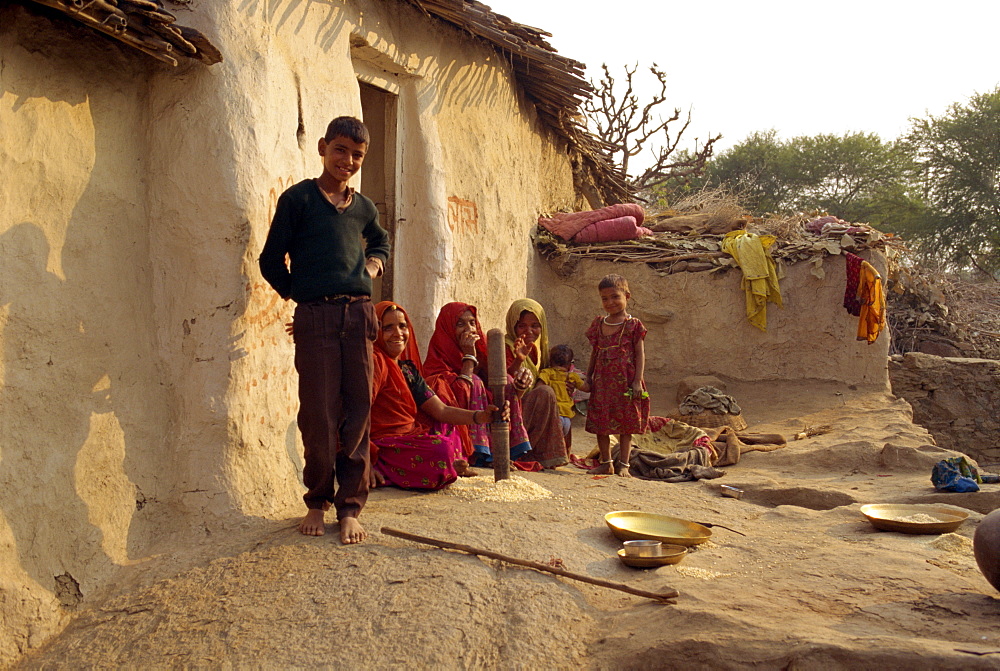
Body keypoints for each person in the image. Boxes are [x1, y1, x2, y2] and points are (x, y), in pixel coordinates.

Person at [258, 116, 390, 543]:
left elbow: (381, 241)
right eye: (340, 150)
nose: (347, 161)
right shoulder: (297, 200)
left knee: (358, 412)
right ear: (322, 147)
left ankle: (350, 507)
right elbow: (269, 259)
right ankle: (317, 500)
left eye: (356, 155)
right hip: (315, 318)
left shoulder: (364, 208)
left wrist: (373, 265)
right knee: (318, 414)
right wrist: (302, 296)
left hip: (358, 316)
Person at [370, 301, 501, 489]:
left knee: (450, 429)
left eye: (402, 326)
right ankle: (379, 466)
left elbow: (440, 410)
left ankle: (448, 463)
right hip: (380, 444)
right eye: (388, 328)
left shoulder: (406, 370)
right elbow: (357, 413)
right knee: (441, 449)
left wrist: (481, 416)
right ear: (375, 331)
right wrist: (363, 459)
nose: (398, 334)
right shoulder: (375, 362)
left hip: (407, 437)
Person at [422, 302, 532, 467]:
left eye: (472, 323)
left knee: (507, 381)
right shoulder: (439, 355)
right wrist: (469, 358)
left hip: (485, 412)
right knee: (474, 380)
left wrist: (518, 367)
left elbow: (498, 384)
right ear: (448, 329)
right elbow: (457, 396)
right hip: (456, 419)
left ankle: (505, 450)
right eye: (460, 324)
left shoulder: (481, 349)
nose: (469, 329)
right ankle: (478, 452)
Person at [584, 274, 649, 476]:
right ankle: (606, 462)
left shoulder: (634, 325)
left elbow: (639, 354)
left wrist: (637, 380)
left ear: (627, 296)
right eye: (605, 299)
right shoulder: (598, 324)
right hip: (603, 381)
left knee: (626, 424)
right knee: (601, 423)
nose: (610, 302)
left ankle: (624, 465)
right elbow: (595, 353)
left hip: (626, 382)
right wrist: (588, 377)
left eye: (615, 297)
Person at [503, 299, 569, 467]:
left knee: (564, 418)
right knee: (544, 393)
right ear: (512, 325)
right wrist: (518, 361)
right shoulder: (506, 347)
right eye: (522, 326)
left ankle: (539, 453)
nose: (529, 331)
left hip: (530, 410)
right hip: (509, 412)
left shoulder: (542, 352)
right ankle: (518, 451)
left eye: (535, 325)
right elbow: (503, 383)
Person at [536, 344, 590, 455]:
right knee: (563, 439)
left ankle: (552, 460)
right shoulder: (572, 376)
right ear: (570, 364)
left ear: (550, 361)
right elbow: (586, 388)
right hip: (567, 418)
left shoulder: (547, 373)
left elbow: (539, 389)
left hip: (554, 415)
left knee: (552, 441)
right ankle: (563, 457)